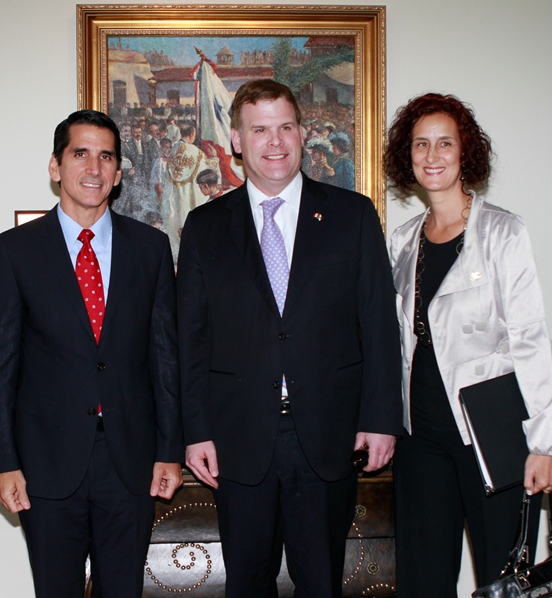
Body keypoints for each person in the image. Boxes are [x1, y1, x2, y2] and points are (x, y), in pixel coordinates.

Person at [177, 79, 402, 597]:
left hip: (329, 434)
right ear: (237, 140)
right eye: (260, 130)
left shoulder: (352, 215)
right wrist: (195, 431)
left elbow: (378, 325)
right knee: (247, 583)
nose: (274, 142)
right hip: (238, 439)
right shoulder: (204, 227)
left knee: (321, 583)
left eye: (285, 127)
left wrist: (380, 419)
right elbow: (191, 339)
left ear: (301, 132)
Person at [0, 109, 183, 598]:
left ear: (118, 172)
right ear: (56, 166)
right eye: (80, 154)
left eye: (106, 157)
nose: (94, 168)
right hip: (45, 462)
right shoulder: (14, 251)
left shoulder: (150, 248)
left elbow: (165, 358)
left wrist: (170, 451)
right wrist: (3, 462)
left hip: (131, 461)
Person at [385, 92, 552, 597]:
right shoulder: (402, 240)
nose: (432, 155)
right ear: (408, 155)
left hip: (492, 432)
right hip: (420, 436)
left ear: (465, 152)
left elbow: (530, 337)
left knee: (502, 579)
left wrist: (547, 444)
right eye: (421, 144)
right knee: (422, 581)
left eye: (445, 143)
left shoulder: (503, 232)